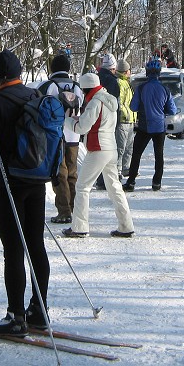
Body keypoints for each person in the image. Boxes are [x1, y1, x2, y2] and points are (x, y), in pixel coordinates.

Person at [0, 50, 51, 336]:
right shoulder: (34, 96)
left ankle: (15, 316)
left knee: (13, 250)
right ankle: (39, 310)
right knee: (36, 244)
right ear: (19, 72)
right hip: (36, 179)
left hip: (8, 182)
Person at [62, 73, 134, 238]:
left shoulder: (94, 102)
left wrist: (68, 120)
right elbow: (98, 122)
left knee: (82, 187)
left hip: (98, 149)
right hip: (111, 149)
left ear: (86, 88)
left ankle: (79, 227)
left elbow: (82, 128)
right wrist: (79, 119)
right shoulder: (109, 100)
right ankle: (126, 226)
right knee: (115, 188)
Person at [39, 54, 84, 224]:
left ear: (52, 68)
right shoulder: (77, 87)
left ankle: (64, 211)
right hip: (74, 135)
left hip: (55, 135)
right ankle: (74, 208)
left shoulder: (49, 86)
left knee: (59, 173)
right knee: (72, 173)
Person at [122, 58, 178, 192]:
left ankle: (131, 182)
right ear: (159, 73)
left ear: (147, 73)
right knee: (159, 155)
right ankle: (156, 183)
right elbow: (173, 110)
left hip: (144, 126)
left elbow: (133, 107)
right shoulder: (165, 89)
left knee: (136, 154)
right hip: (159, 127)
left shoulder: (141, 88)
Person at [93, 53, 120, 190]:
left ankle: (99, 178)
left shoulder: (96, 79)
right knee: (109, 150)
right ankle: (106, 180)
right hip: (108, 119)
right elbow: (114, 102)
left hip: (95, 117)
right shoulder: (112, 81)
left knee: (97, 148)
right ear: (112, 68)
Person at [115, 59, 136, 177]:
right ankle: (118, 169)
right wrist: (126, 113)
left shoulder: (127, 82)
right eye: (128, 70)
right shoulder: (120, 83)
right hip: (123, 120)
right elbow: (120, 102)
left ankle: (125, 167)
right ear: (125, 71)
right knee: (120, 147)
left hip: (130, 120)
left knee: (129, 147)